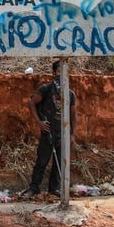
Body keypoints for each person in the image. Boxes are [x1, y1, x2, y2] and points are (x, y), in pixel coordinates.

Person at [22, 60, 77, 199]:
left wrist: (72, 134)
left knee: (59, 160)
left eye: (64, 71)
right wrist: (39, 122)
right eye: (59, 71)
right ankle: (34, 188)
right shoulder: (46, 89)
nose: (61, 74)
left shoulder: (70, 94)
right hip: (48, 132)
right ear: (54, 73)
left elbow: (73, 115)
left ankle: (54, 189)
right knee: (42, 161)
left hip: (62, 133)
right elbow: (32, 103)